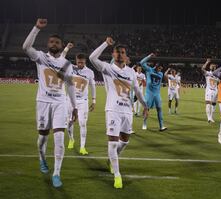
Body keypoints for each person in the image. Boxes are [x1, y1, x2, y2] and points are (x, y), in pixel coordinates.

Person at [22, 18, 78, 188]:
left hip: (60, 102)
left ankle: (56, 173)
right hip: (43, 102)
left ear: (61, 46)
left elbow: (70, 85)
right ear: (48, 44)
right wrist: (36, 28)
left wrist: (74, 107)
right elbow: (25, 48)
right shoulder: (40, 57)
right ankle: (41, 158)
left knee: (59, 137)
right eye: (52, 42)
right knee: (42, 139)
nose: (54, 44)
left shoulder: (66, 64)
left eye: (57, 42)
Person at [89, 37, 148, 189]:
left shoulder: (131, 72)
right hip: (113, 110)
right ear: (113, 55)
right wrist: (105, 44)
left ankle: (111, 159)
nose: (120, 55)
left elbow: (136, 91)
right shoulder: (107, 69)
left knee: (125, 141)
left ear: (126, 55)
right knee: (113, 142)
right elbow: (92, 58)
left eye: (122, 52)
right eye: (117, 52)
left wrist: (145, 106)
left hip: (127, 110)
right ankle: (117, 175)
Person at [140, 53, 167, 131]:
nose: (160, 70)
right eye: (159, 68)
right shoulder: (149, 70)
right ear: (156, 66)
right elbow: (141, 63)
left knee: (159, 108)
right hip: (149, 93)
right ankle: (144, 123)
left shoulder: (161, 74)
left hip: (157, 94)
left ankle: (161, 126)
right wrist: (149, 57)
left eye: (161, 69)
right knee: (146, 109)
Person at [201, 59, 219, 123]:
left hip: (216, 90)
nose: (212, 67)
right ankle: (208, 118)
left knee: (214, 104)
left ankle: (211, 117)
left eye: (214, 66)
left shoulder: (217, 75)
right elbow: (202, 69)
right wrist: (207, 62)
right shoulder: (208, 73)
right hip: (209, 90)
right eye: (211, 66)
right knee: (208, 103)